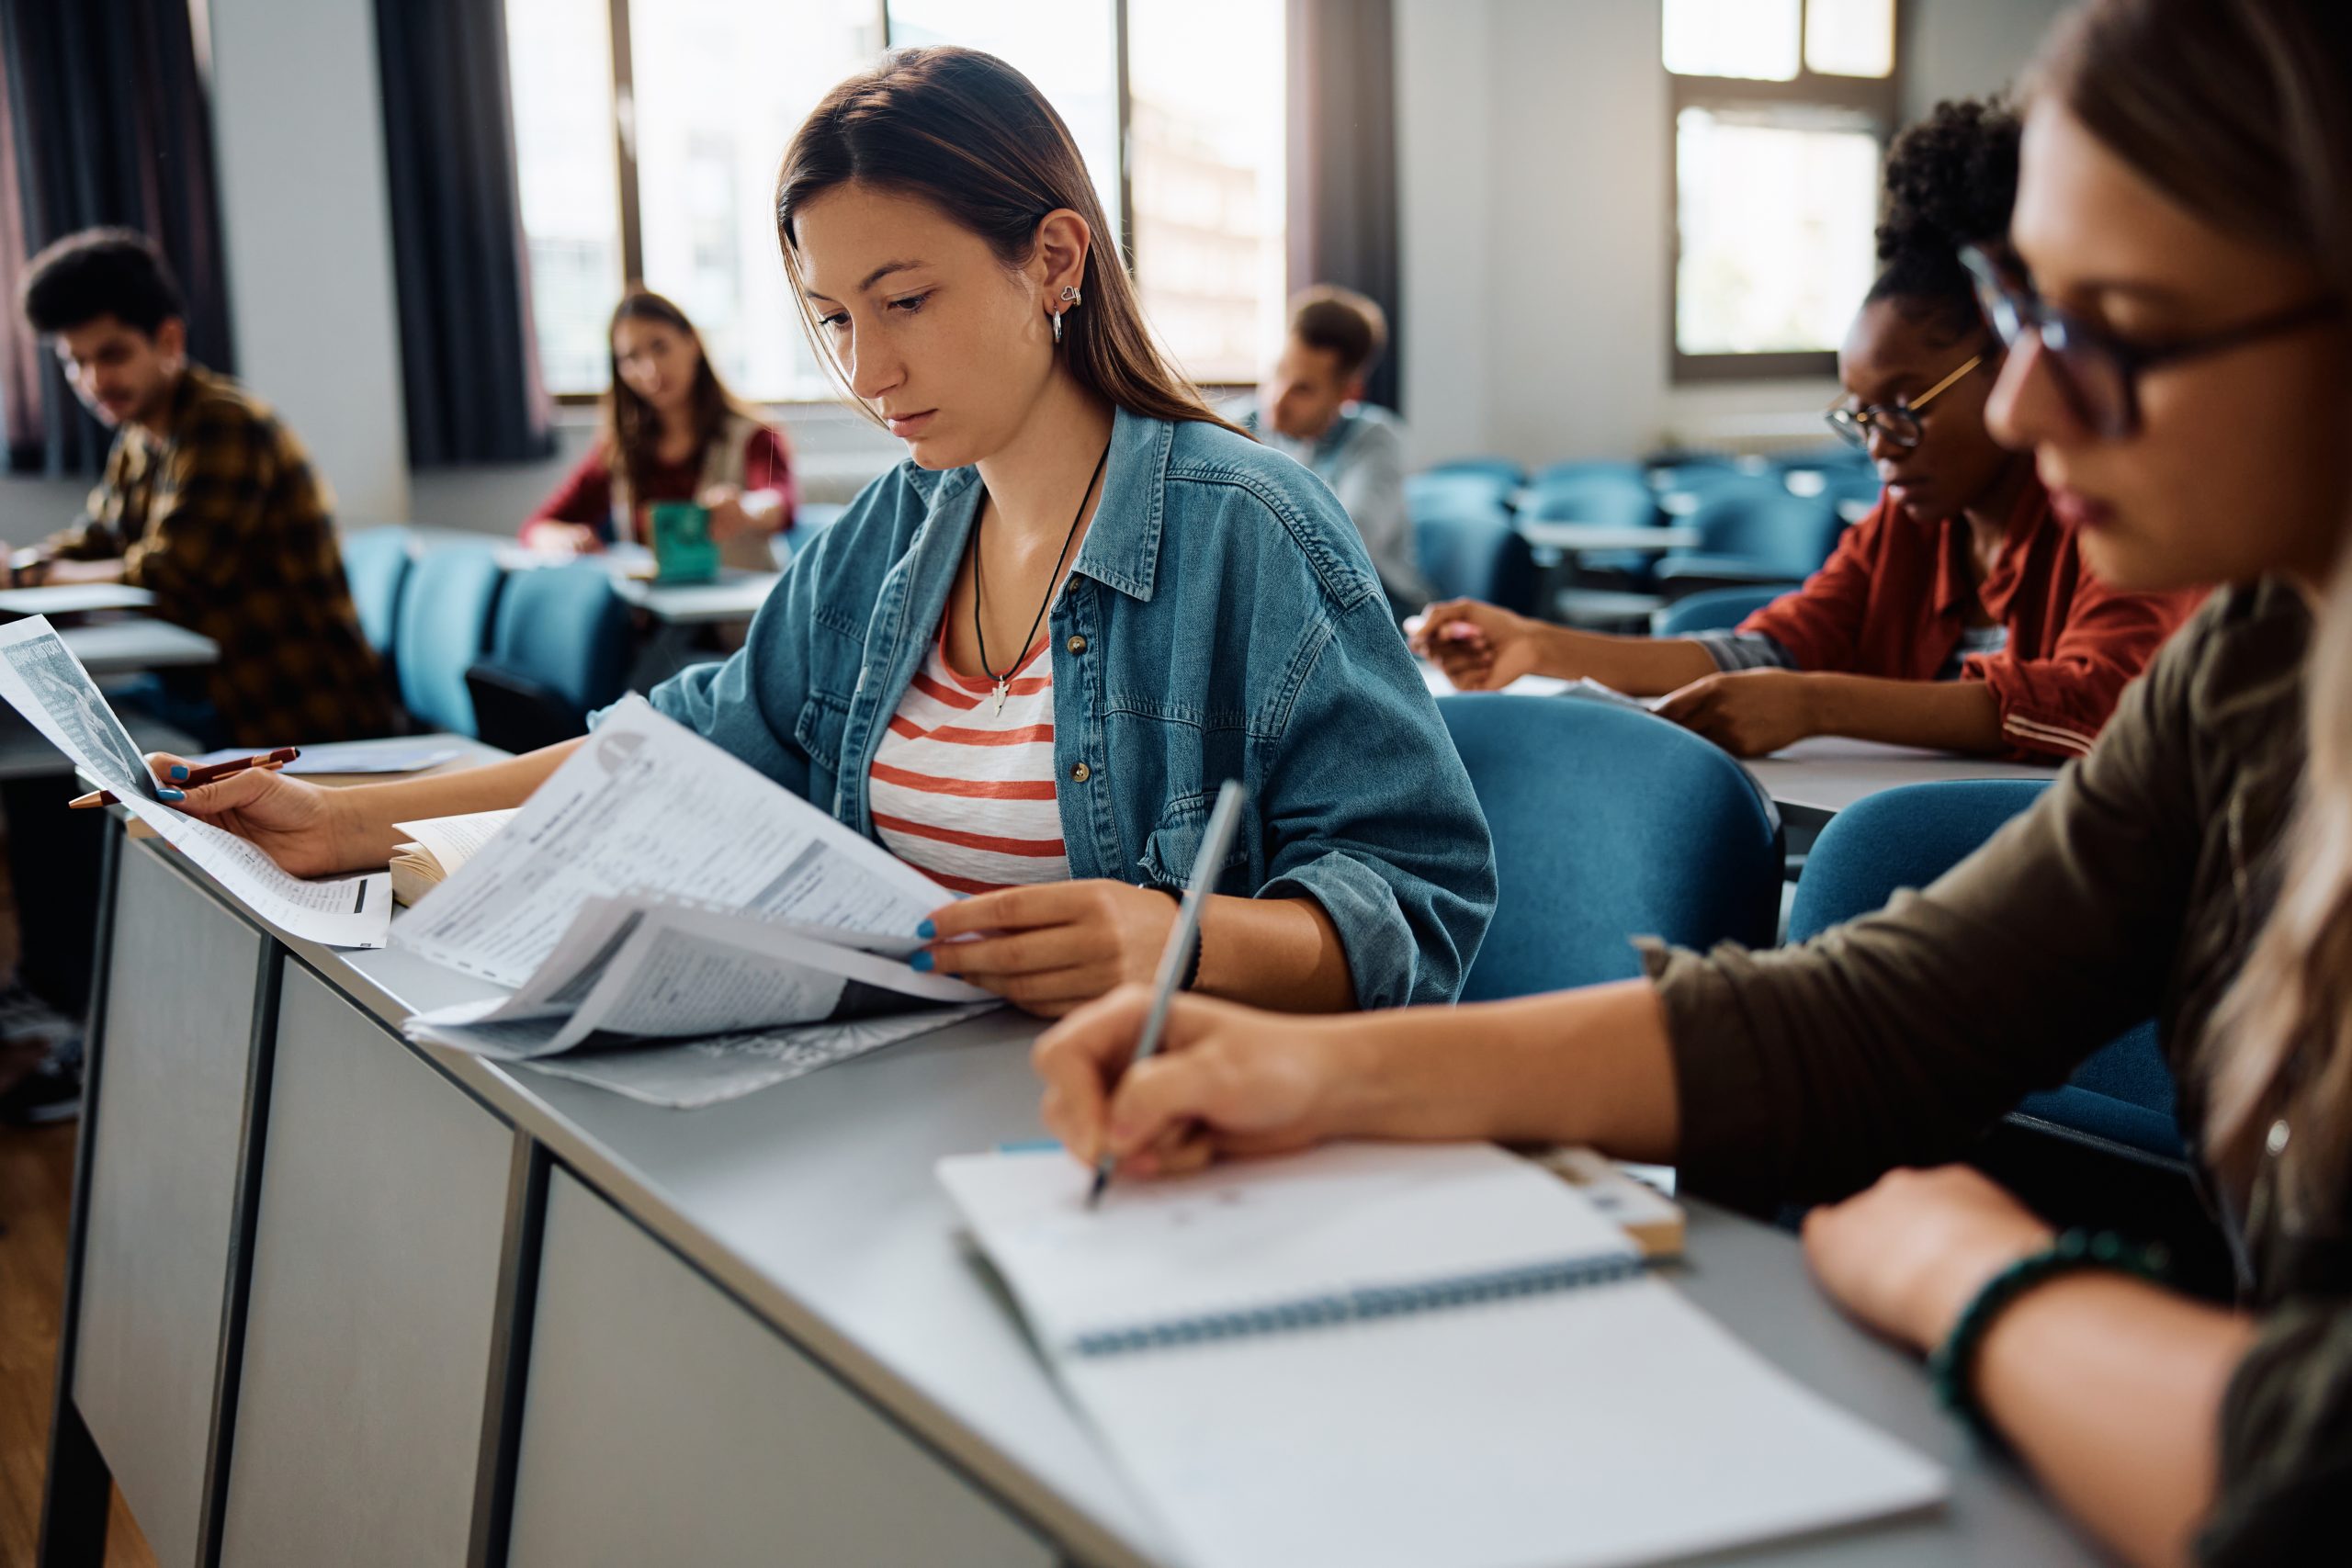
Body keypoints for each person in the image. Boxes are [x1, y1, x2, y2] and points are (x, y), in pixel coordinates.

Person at [1032, 2, 2352, 1561]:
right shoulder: (2264, 661)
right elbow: (1872, 1011)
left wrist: (1976, 1276)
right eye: (2031, 310)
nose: (2020, 407)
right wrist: (1306, 1076)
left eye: (2115, 327)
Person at [153, 47, 1495, 1019]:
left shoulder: (1247, 528)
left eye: (905, 299)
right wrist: (348, 815)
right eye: (835, 317)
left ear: (1057, 262)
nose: (866, 367)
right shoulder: (905, 526)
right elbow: (685, 734)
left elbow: (1419, 894)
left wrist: (1180, 937)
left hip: (1158, 1130)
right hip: (910, 1088)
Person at [1414, 100, 2203, 763]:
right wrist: (1541, 645)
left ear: (2007, 362)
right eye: (1861, 416)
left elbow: (2101, 700)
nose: (1880, 445)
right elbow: (1774, 652)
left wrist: (1820, 703)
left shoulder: (2112, 515)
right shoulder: (1910, 526)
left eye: (1906, 405)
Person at [12, 228, 395, 748]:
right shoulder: (139, 437)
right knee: (55, 733)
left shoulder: (223, 423)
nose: (94, 381)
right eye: (76, 363)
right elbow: (97, 539)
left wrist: (40, 578)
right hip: (214, 694)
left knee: (67, 750)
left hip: (293, 709)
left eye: (113, 355)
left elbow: (173, 574)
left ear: (169, 341)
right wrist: (25, 564)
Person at [522, 289, 797, 572]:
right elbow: (537, 528)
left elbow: (780, 504)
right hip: (657, 614)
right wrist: (565, 540)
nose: (650, 369)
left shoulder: (755, 433)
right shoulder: (620, 448)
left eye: (660, 347)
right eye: (631, 358)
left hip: (742, 613)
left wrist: (744, 510)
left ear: (692, 342)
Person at [1234, 286, 1430, 617]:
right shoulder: (1244, 424)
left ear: (1349, 393)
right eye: (1278, 374)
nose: (1276, 402)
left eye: (1303, 389)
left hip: (1375, 608)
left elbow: (1342, 550)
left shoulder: (1375, 441)